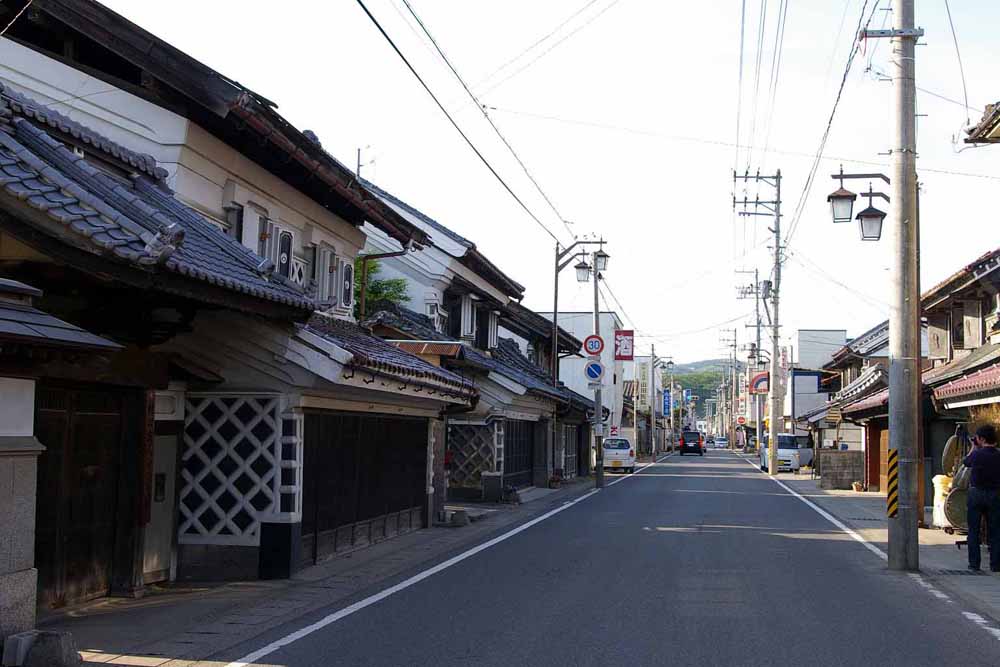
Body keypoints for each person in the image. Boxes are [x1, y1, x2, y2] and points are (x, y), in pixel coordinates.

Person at [964, 424, 1000, 571]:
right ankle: (996, 564)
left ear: (981, 439)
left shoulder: (977, 454)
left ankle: (974, 564)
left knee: (973, 530)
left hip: (976, 493)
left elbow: (966, 462)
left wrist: (973, 447)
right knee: (996, 530)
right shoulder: (998, 455)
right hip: (995, 494)